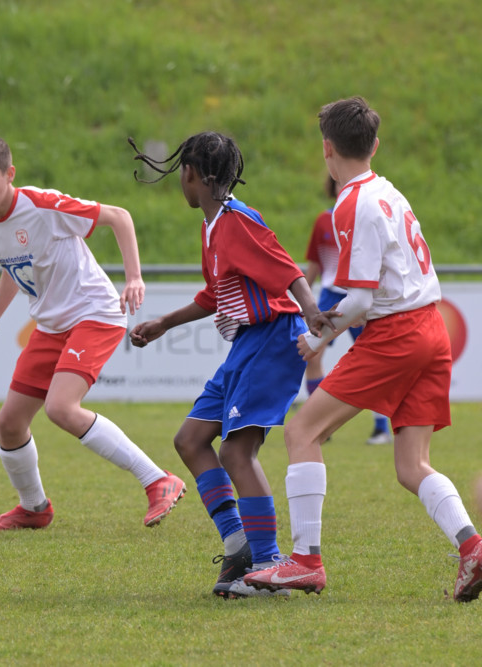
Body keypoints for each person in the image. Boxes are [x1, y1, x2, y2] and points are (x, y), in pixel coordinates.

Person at [244, 96, 482, 602]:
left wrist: (313, 339)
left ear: (326, 148)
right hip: (431, 327)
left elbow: (360, 299)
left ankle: (305, 562)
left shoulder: (351, 203)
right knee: (410, 465)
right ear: (374, 145)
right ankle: (473, 548)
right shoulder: (390, 191)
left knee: (302, 429)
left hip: (396, 333)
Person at [0, 133, 185, 533]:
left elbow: (119, 216)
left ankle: (159, 480)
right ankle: (34, 509)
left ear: (10, 174)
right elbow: (13, 270)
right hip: (51, 325)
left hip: (94, 314)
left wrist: (133, 278)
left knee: (61, 408)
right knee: (10, 423)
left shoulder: (42, 205)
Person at [127, 131, 322, 598]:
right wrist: (165, 324)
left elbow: (288, 269)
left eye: (181, 175)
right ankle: (239, 544)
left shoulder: (237, 222)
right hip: (247, 345)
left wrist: (314, 313)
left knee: (237, 451)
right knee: (190, 439)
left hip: (274, 339)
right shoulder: (212, 226)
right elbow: (215, 295)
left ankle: (270, 563)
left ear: (191, 174)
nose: (181, 183)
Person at [303, 174, 391, 445]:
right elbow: (315, 266)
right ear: (332, 188)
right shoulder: (322, 220)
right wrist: (300, 298)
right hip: (331, 295)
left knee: (375, 363)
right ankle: (321, 426)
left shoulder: (368, 216)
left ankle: (380, 428)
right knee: (312, 355)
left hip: (361, 295)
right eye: (340, 184)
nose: (345, 189)